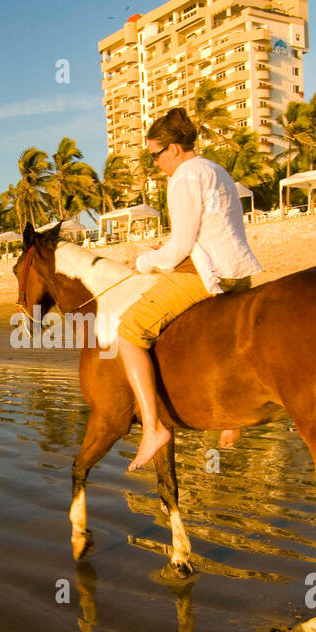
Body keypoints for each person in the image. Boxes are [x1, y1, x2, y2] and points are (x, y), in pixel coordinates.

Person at [113, 106, 264, 471]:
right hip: (240, 272)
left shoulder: (182, 177)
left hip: (208, 275)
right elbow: (203, 231)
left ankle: (151, 429)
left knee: (128, 331)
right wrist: (162, 251)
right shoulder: (215, 169)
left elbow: (181, 248)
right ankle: (232, 415)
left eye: (155, 156)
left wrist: (145, 262)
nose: (155, 164)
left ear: (173, 148)